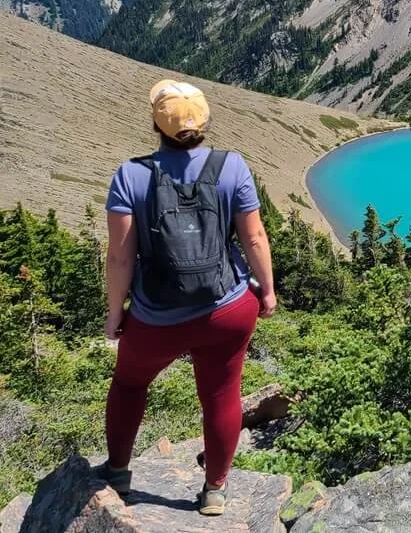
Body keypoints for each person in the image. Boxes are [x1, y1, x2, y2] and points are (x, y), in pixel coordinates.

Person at [100, 79, 277, 517]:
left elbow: (120, 260)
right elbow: (254, 238)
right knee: (222, 395)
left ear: (156, 125)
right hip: (228, 308)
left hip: (155, 316)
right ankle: (214, 490)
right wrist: (268, 291)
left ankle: (119, 473)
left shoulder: (131, 175)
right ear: (204, 121)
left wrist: (114, 314)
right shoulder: (232, 167)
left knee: (128, 383)